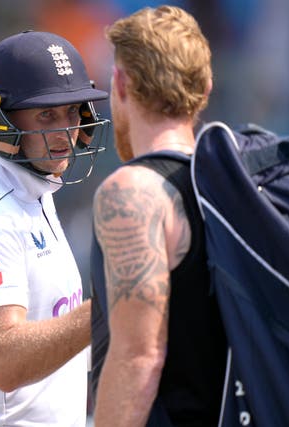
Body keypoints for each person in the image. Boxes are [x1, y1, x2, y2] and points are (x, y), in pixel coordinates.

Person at [0, 30, 111, 426]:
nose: (66, 132)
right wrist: (112, 306)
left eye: (71, 112)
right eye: (46, 114)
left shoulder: (33, 191)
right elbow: (6, 360)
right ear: (0, 122)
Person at [91, 6, 227, 427]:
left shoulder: (133, 192)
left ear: (121, 83)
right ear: (205, 89)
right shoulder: (236, 184)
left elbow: (139, 356)